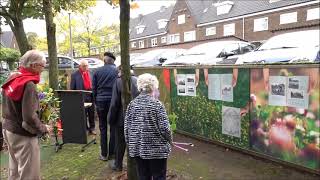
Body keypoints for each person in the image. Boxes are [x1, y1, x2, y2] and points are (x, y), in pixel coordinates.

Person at [1, 50, 49, 180]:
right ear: (33, 66)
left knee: (15, 171)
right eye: (42, 66)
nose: (43, 69)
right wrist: (43, 128)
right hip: (22, 134)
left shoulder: (13, 77)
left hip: (8, 130)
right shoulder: (29, 84)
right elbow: (29, 116)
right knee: (29, 174)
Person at [124, 73, 172, 180]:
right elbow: (165, 129)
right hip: (157, 150)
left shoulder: (132, 104)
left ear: (140, 86)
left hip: (138, 149)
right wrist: (170, 140)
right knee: (159, 176)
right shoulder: (157, 104)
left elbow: (126, 129)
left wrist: (131, 145)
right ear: (154, 86)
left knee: (143, 176)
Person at [108, 67, 139, 171]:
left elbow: (114, 104)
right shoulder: (138, 80)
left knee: (120, 142)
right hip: (136, 119)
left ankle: (118, 165)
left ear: (120, 71)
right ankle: (136, 166)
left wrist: (110, 119)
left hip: (122, 119)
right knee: (135, 142)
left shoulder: (118, 82)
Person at [92, 52, 118, 161]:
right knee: (113, 127)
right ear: (113, 61)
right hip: (113, 101)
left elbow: (94, 89)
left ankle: (103, 154)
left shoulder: (97, 71)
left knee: (102, 128)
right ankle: (112, 153)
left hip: (101, 102)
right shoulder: (117, 71)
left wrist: (95, 102)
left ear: (104, 60)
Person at [70, 59, 96, 135]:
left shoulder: (91, 73)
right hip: (81, 97)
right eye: (84, 66)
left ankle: (92, 128)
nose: (86, 67)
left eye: (87, 66)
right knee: (83, 114)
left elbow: (94, 84)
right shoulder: (75, 75)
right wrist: (74, 99)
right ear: (80, 66)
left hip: (90, 96)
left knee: (91, 113)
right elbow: (72, 88)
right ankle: (86, 129)